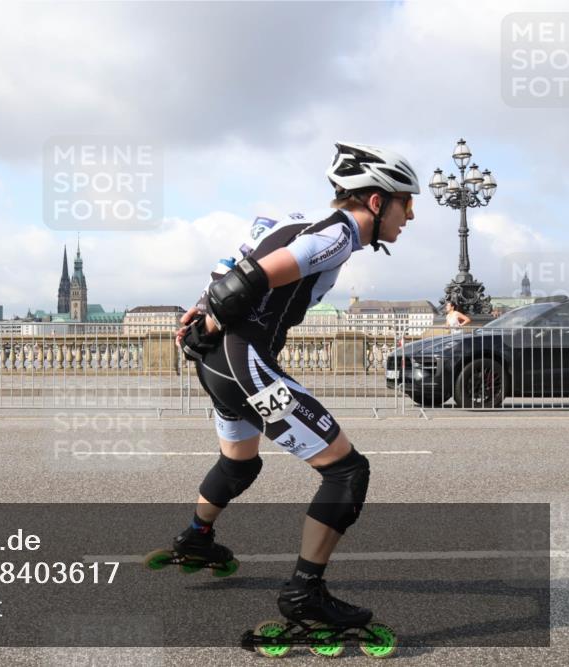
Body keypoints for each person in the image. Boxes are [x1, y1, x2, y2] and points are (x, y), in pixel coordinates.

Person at [172, 142, 419, 628]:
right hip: (246, 364)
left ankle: (197, 536)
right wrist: (215, 316)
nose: (409, 216)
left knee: (238, 464)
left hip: (217, 366)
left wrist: (200, 314)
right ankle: (306, 594)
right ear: (376, 202)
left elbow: (230, 264)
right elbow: (246, 281)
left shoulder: (293, 219)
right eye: (405, 202)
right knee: (347, 472)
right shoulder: (341, 234)